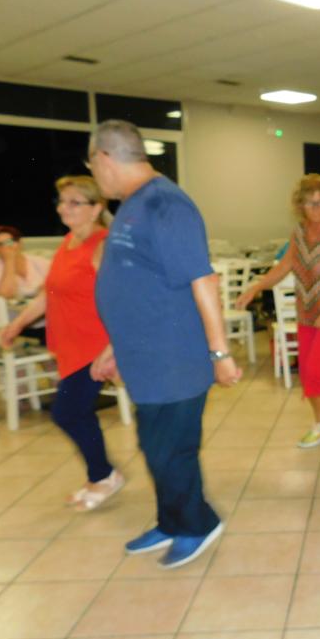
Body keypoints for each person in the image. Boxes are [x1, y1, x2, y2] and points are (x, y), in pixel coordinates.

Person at [89, 119, 241, 570]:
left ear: (105, 158)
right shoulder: (133, 204)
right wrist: (115, 346)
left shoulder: (166, 204)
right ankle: (171, 521)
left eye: (92, 165)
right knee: (156, 447)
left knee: (172, 450)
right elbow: (135, 283)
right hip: (146, 356)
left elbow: (203, 281)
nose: (94, 174)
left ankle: (197, 524)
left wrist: (220, 354)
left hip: (174, 357)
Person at [0, 177, 124, 511]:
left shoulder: (103, 245)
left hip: (95, 346)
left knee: (67, 412)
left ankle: (104, 475)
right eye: (61, 201)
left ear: (96, 209)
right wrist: (17, 324)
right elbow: (48, 294)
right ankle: (101, 474)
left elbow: (122, 299)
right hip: (70, 344)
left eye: (74, 202)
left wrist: (114, 347)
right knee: (75, 412)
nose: (63, 208)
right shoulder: (68, 242)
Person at [236, 174, 320, 451]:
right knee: (306, 371)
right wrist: (256, 288)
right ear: (300, 205)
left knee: (318, 369)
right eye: (310, 203)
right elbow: (284, 267)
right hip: (307, 312)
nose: (316, 209)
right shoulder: (299, 233)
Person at [0, 225, 51, 301]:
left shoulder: (40, 262)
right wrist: (9, 261)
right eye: (0, 245)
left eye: (9, 242)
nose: (6, 247)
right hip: (5, 308)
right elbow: (3, 297)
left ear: (19, 243)